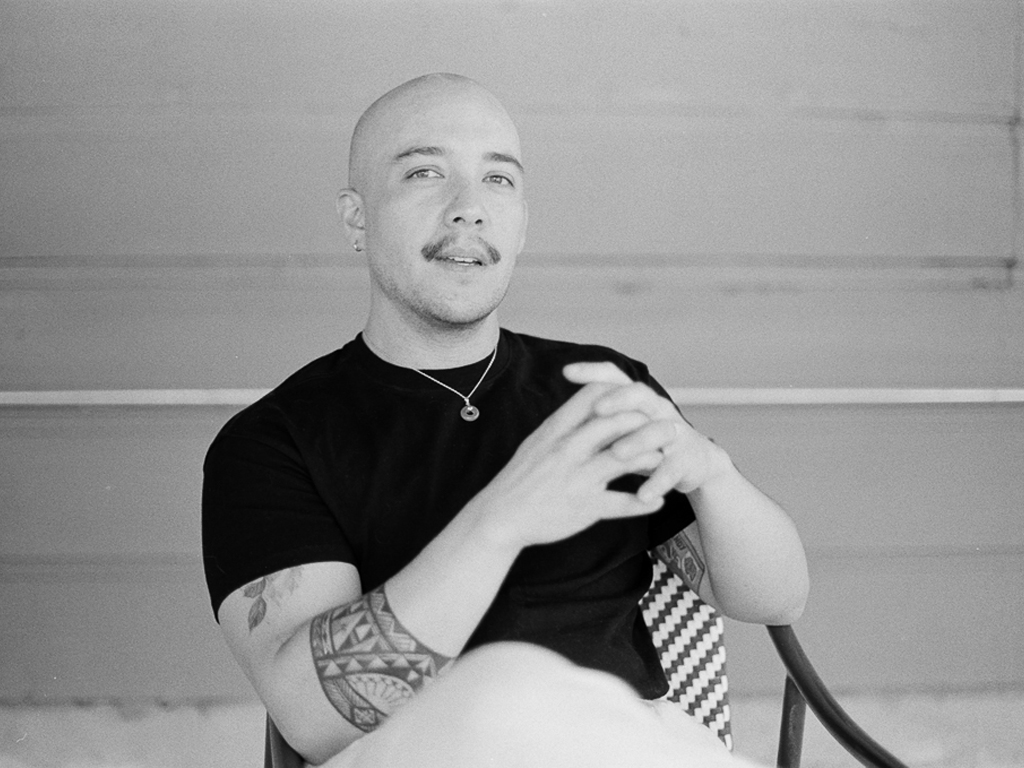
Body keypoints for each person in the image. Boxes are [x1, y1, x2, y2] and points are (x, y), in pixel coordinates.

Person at [202, 72, 809, 767]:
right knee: (507, 689)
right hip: (415, 751)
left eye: (499, 181)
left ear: (522, 226)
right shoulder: (272, 443)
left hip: (628, 742)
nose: (470, 208)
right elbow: (312, 720)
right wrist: (501, 521)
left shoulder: (599, 389)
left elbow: (777, 597)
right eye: (425, 172)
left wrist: (711, 472)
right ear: (356, 218)